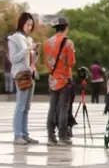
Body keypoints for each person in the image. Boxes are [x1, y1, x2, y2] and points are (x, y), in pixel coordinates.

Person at [43, 16, 76, 145]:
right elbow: (71, 62)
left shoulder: (47, 43)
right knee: (63, 108)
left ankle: (51, 137)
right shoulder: (68, 43)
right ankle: (62, 137)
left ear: (55, 28)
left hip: (52, 80)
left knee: (52, 108)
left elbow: (46, 62)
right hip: (64, 80)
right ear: (66, 28)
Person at [9, 13, 38, 145]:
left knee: (27, 107)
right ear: (21, 24)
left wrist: (35, 53)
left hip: (30, 74)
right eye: (28, 24)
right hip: (21, 75)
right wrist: (27, 49)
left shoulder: (29, 39)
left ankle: (25, 134)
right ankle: (17, 135)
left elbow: (31, 60)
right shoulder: (14, 39)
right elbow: (14, 59)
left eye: (31, 25)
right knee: (20, 106)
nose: (29, 27)